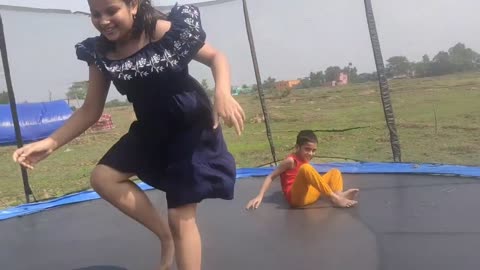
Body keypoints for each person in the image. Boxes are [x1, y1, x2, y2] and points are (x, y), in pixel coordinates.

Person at [12, 1, 245, 270]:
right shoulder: (100, 52)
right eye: (96, 14)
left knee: (180, 216)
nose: (103, 20)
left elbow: (217, 57)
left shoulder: (160, 30)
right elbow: (90, 109)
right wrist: (50, 143)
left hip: (190, 128)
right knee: (103, 178)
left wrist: (223, 92)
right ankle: (164, 236)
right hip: (151, 129)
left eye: (112, 11)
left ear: (133, 5)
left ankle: (174, 235)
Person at [246, 130, 358, 210]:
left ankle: (339, 195)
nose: (311, 153)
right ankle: (335, 198)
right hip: (296, 199)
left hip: (308, 195)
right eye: (307, 149)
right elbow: (271, 176)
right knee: (306, 168)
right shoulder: (290, 161)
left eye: (314, 150)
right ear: (297, 147)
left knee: (335, 172)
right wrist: (259, 196)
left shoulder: (304, 158)